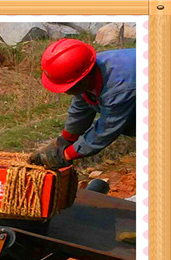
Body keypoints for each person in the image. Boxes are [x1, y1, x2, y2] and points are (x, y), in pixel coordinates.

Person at [29, 38, 136, 169]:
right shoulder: (86, 69)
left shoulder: (119, 89)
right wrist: (65, 140)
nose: (65, 92)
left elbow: (106, 130)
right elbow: (81, 106)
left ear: (83, 80)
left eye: (68, 87)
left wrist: (66, 155)